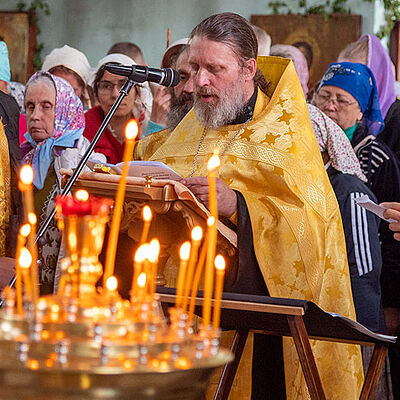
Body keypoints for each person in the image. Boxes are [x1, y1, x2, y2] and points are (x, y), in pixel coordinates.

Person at [136, 12, 363, 399]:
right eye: (195, 68)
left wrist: (238, 205)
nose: (199, 82)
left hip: (258, 324)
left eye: (214, 69)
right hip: (179, 304)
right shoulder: (193, 124)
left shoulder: (286, 134)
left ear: (247, 69)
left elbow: (313, 227)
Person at [313, 61, 400, 397]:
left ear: (361, 109)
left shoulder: (372, 160)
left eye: (342, 100)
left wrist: (387, 307)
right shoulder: (315, 156)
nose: (330, 105)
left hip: (364, 301)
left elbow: (387, 241)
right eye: (325, 96)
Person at [21, 71, 105, 294]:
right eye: (30, 106)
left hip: (64, 292)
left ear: (65, 108)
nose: (35, 115)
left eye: (46, 106)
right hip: (24, 290)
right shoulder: (24, 159)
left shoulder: (85, 162)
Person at [338, 34, 400, 158]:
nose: (348, 87)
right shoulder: (344, 112)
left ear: (379, 77)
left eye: (358, 79)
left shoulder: (397, 119)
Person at [84, 53, 153, 163]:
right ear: (96, 93)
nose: (116, 94)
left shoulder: (148, 127)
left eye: (124, 85)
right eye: (106, 86)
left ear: (137, 93)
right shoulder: (84, 126)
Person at [42, 45, 93, 110]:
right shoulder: (32, 117)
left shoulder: (89, 119)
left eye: (71, 91)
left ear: (82, 90)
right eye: (57, 89)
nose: (63, 97)